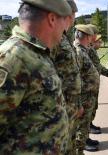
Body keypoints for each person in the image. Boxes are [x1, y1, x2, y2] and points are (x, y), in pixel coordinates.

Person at [0, 0, 72, 154]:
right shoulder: (13, 57)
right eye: (64, 20)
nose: (65, 29)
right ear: (52, 19)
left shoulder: (36, 52)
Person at [52, 0, 83, 154]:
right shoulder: (55, 39)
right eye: (72, 16)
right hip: (61, 106)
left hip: (71, 105)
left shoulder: (64, 38)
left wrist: (77, 104)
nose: (73, 20)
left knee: (70, 143)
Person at [73, 24, 100, 153]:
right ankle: (79, 149)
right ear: (88, 36)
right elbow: (75, 77)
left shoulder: (83, 50)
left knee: (84, 125)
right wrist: (78, 102)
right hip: (83, 96)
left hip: (88, 95)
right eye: (92, 35)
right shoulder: (78, 51)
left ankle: (82, 145)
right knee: (81, 126)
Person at [87, 24, 108, 134]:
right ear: (93, 42)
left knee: (92, 107)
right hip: (88, 86)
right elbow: (99, 68)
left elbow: (99, 67)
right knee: (88, 108)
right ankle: (86, 131)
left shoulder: (91, 51)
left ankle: (90, 124)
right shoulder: (89, 50)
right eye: (99, 41)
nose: (100, 43)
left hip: (92, 84)